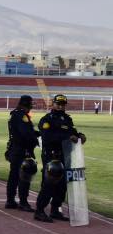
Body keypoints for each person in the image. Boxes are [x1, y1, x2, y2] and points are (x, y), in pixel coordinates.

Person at [34, 94, 87, 222]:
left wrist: (80, 136)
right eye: (58, 104)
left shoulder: (67, 119)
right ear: (53, 104)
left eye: (63, 104)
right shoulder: (47, 119)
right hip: (51, 155)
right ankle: (39, 211)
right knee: (49, 184)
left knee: (62, 184)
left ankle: (55, 209)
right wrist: (67, 138)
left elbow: (71, 132)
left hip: (65, 155)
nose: (60, 106)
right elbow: (47, 137)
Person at [5, 95, 39, 211]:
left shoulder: (15, 113)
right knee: (25, 176)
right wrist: (35, 139)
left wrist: (36, 133)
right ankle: (23, 202)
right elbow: (25, 133)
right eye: (30, 104)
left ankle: (10, 200)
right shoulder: (22, 115)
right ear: (27, 104)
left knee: (13, 175)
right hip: (22, 150)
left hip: (15, 148)